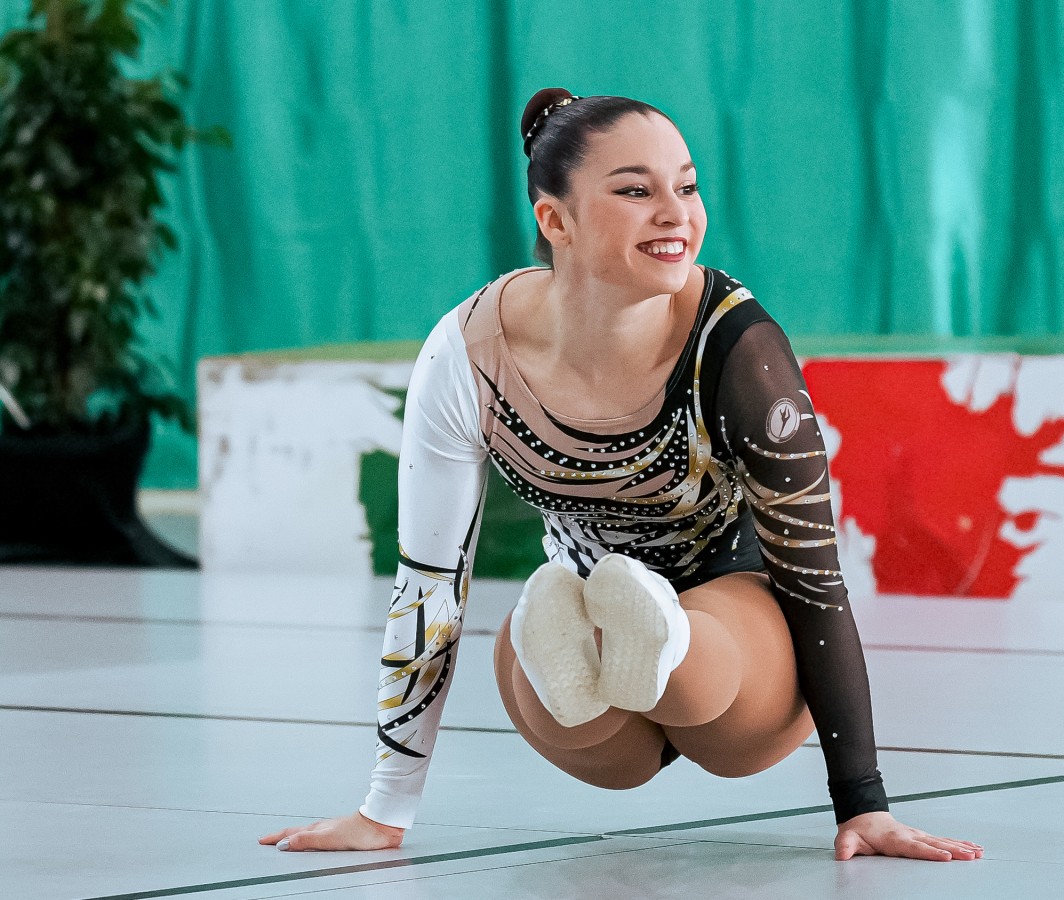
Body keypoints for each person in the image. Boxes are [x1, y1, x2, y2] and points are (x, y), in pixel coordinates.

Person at [259, 89, 983, 863]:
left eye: (687, 186)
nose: (676, 213)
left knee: (708, 701)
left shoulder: (735, 349)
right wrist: (381, 808)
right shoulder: (469, 356)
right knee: (584, 722)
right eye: (637, 191)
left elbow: (812, 580)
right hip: (586, 617)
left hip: (737, 619)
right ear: (555, 221)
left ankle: (667, 639)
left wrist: (864, 802)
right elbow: (427, 587)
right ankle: (599, 633)